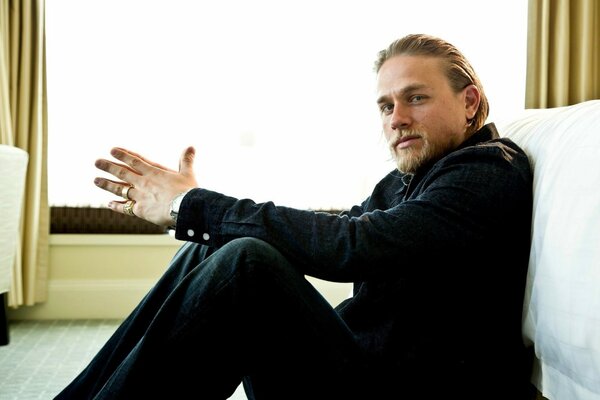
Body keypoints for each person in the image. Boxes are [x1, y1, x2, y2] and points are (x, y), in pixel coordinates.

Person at [55, 33, 535, 399]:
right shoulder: (406, 179)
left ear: (468, 101)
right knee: (218, 245)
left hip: (406, 389)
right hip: (364, 368)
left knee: (246, 263)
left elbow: (353, 245)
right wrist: (202, 212)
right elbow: (344, 226)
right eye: (386, 106)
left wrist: (193, 204)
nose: (396, 119)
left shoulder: (486, 171)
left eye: (416, 98)